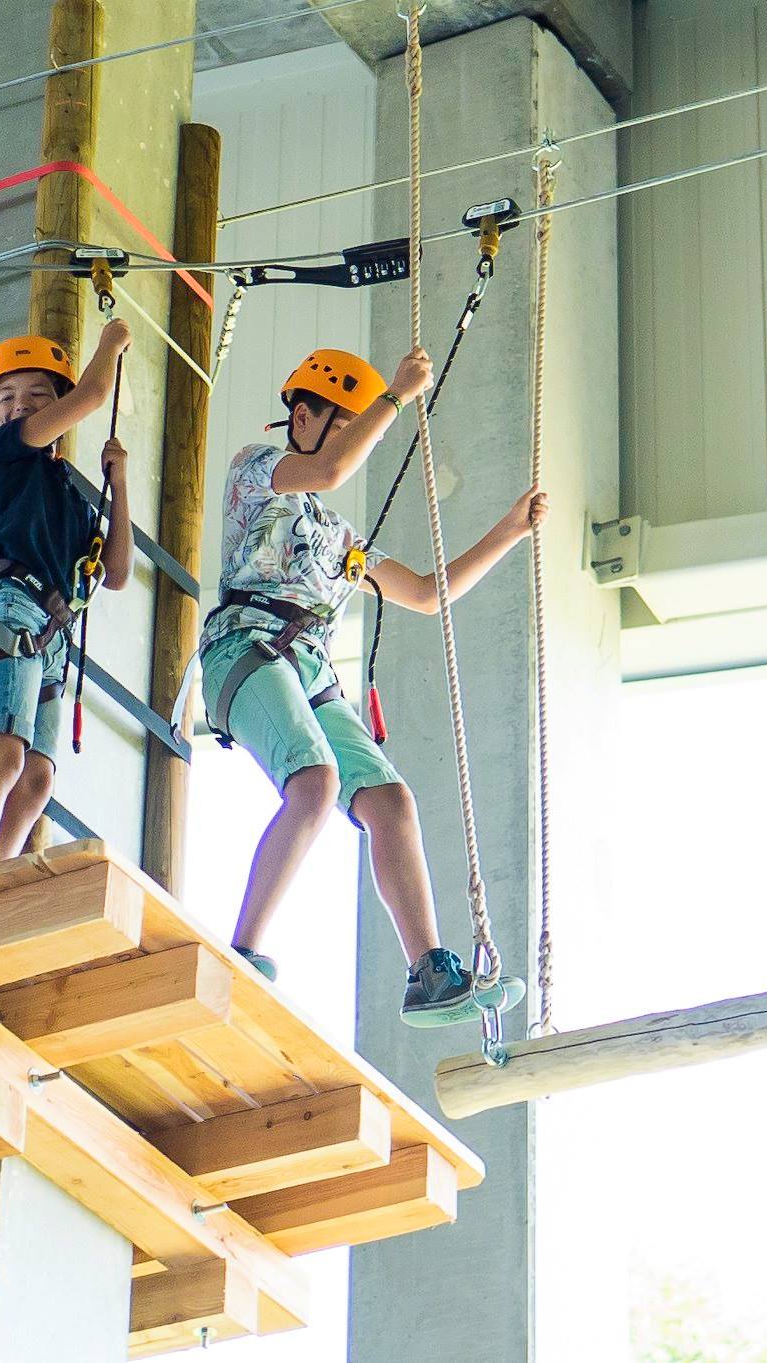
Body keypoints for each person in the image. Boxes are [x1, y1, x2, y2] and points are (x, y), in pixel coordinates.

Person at [201, 345, 542, 1027]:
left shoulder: (339, 537)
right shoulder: (256, 471)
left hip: (307, 671)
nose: (361, 439)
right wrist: (396, 396)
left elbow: (423, 593)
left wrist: (509, 530)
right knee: (315, 782)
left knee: (389, 801)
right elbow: (328, 465)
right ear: (302, 415)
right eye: (347, 422)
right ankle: (244, 948)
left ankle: (429, 971)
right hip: (244, 648)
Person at [0, 322, 133, 873]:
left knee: (35, 779)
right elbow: (95, 394)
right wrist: (112, 343)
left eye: (37, 395)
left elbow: (117, 572)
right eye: (7, 397)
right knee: (3, 754)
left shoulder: (70, 500)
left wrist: (118, 485)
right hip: (8, 608)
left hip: (50, 635)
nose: (20, 405)